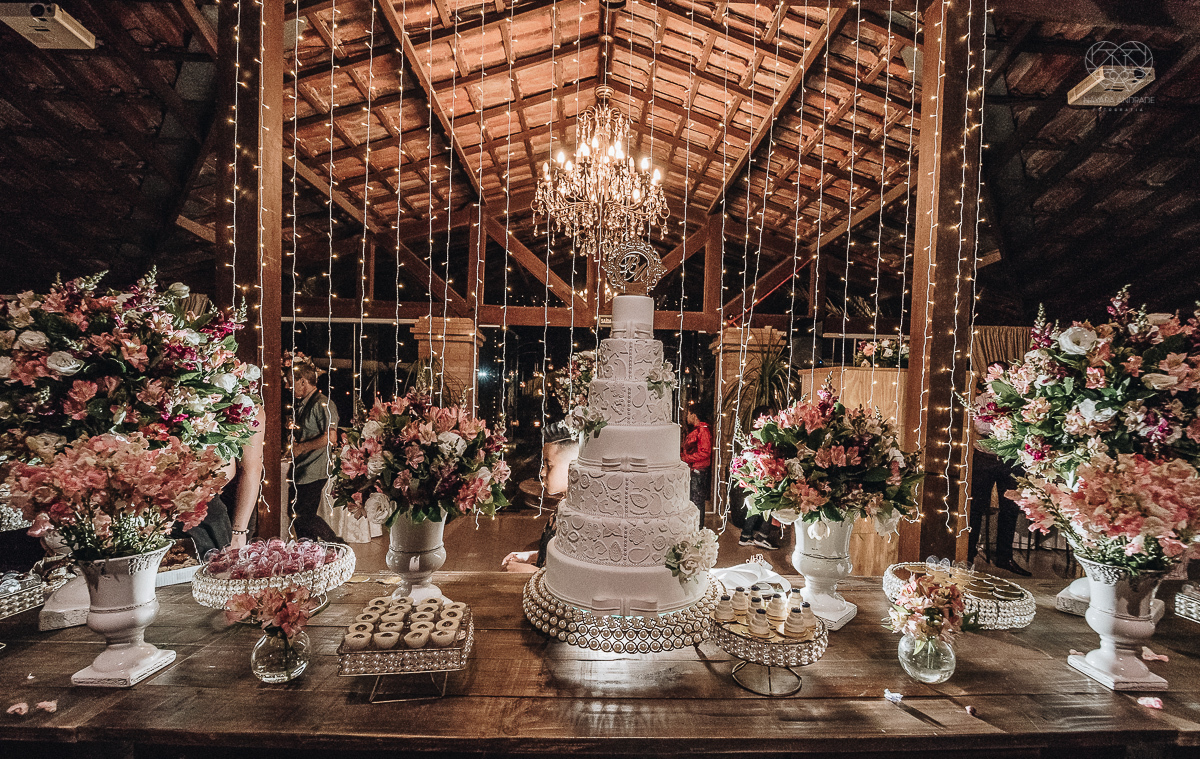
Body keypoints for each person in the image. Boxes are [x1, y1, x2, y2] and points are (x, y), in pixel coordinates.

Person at [181, 406, 267, 554]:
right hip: (186, 498)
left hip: (234, 502)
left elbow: (251, 470)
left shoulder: (248, 408)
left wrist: (239, 532)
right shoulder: (189, 404)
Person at [970, 375, 1030, 577]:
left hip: (1011, 459)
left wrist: (1003, 424)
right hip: (984, 457)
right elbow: (980, 427)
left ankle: (1004, 557)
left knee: (1010, 508)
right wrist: (1004, 427)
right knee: (976, 507)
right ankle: (968, 557)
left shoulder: (1019, 399)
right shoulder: (980, 400)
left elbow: (1025, 426)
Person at [501, 426, 580, 573]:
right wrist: (531, 557)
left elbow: (575, 576)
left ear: (574, 466)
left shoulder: (583, 516)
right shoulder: (564, 505)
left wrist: (531, 572)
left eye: (549, 465)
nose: (542, 472)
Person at [285, 361, 341, 542]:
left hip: (315, 470)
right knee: (295, 514)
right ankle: (308, 551)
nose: (288, 386)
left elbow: (330, 438)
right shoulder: (304, 404)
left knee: (303, 515)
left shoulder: (324, 403)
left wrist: (301, 447)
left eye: (290, 381)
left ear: (303, 381)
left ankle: (337, 544)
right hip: (302, 469)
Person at [738, 405, 780, 549]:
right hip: (765, 472)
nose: (774, 418)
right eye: (771, 416)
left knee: (757, 504)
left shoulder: (755, 433)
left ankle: (746, 535)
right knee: (769, 502)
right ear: (764, 417)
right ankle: (762, 536)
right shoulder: (764, 433)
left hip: (757, 472)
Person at [682, 406, 712, 530]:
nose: (687, 416)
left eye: (688, 413)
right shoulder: (699, 430)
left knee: (697, 501)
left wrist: (686, 458)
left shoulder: (703, 431)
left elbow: (705, 452)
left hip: (698, 470)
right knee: (695, 500)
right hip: (695, 469)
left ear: (694, 415)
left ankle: (698, 529)